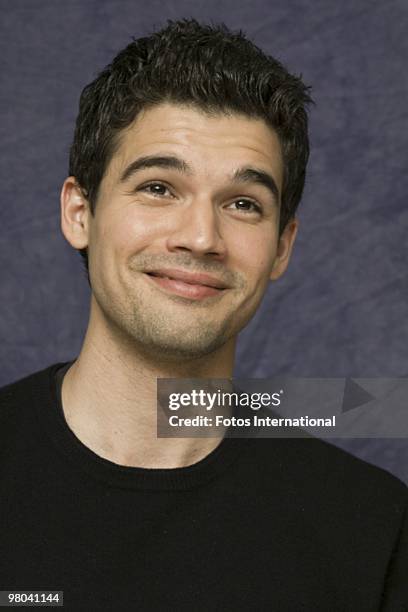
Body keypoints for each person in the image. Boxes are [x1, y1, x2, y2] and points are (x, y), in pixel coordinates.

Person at [0, 18, 406, 611]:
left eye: (243, 204)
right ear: (79, 213)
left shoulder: (372, 527)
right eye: (159, 188)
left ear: (282, 247)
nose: (200, 238)